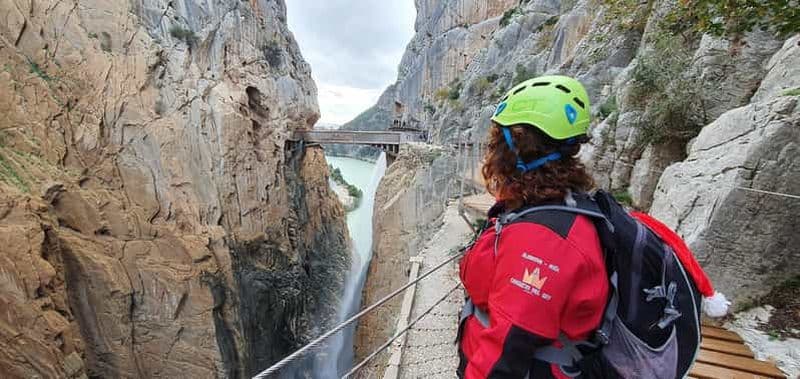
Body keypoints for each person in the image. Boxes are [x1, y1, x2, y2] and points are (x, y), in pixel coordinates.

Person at [457, 75, 610, 378]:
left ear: (515, 149)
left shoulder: (542, 240)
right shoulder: (554, 206)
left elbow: (504, 356)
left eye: (496, 141)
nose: (490, 151)